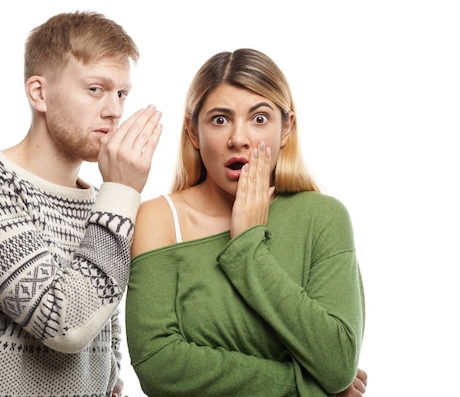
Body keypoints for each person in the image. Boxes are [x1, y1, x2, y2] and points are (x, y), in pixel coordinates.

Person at [0, 11, 162, 397]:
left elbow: (105, 341)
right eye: (95, 89)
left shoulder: (101, 205)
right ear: (39, 93)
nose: (115, 110)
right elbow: (64, 323)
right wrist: (121, 190)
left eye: (121, 93)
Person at [125, 48, 366, 396]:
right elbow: (158, 365)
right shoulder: (159, 218)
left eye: (259, 118)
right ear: (194, 132)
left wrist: (248, 247)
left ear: (286, 129)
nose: (238, 138)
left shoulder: (323, 217)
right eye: (220, 119)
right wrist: (304, 387)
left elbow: (338, 362)